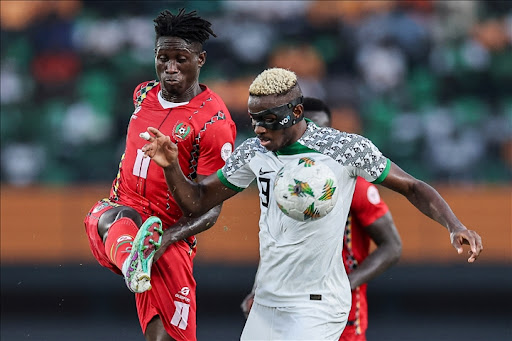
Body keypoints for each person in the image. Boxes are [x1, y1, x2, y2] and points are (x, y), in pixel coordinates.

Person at [139, 67, 483, 340]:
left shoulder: (344, 149)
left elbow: (412, 186)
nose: (259, 128)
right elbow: (197, 201)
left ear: (297, 111)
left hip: (318, 305)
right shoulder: (253, 152)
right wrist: (171, 167)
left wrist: (455, 225)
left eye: (269, 119)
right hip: (269, 302)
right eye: (254, 118)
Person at [83, 8, 236, 341]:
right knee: (110, 215)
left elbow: (211, 208)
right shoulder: (143, 94)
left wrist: (167, 238)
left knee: (165, 338)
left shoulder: (215, 122)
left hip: (167, 233)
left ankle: (138, 259)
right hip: (124, 216)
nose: (170, 67)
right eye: (162, 57)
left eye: (180, 58)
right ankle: (132, 263)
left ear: (200, 59)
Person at [240, 96, 403, 341]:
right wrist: (258, 289)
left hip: (335, 303)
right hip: (288, 299)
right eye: (305, 129)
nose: (312, 136)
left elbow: (392, 246)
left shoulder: (353, 185)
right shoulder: (282, 182)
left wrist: (346, 284)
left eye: (321, 129)